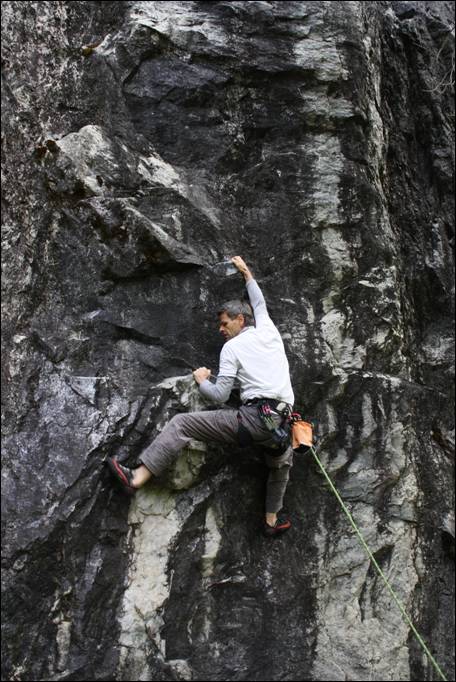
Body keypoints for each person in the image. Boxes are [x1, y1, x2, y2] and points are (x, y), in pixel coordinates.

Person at [107, 256, 295, 537]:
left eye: (225, 323)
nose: (221, 329)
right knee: (281, 462)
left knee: (182, 424)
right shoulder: (268, 330)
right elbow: (259, 302)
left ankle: (136, 477)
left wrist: (203, 380)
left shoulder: (232, 348)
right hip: (280, 422)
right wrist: (246, 272)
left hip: (254, 419)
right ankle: (271, 520)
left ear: (240, 320)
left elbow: (219, 395)